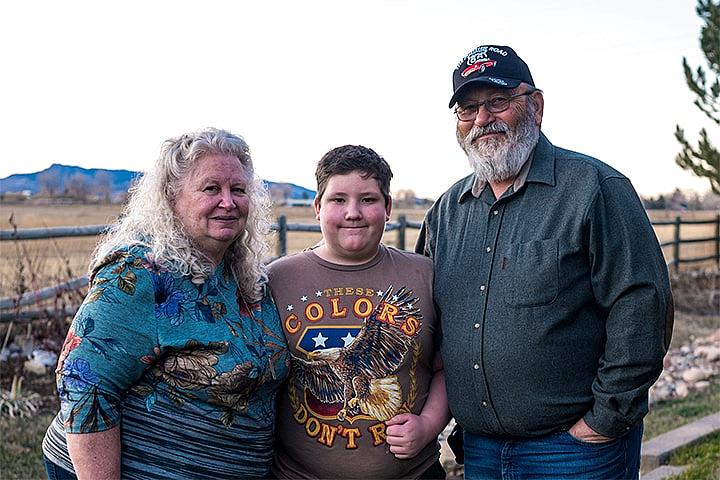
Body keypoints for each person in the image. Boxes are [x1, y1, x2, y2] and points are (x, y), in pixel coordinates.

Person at [416, 44, 674, 479]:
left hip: (576, 452)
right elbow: (423, 320)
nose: (482, 119)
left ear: (534, 105)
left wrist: (605, 420)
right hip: (480, 451)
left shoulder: (594, 187)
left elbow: (643, 304)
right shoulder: (446, 212)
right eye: (467, 108)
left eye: (498, 101)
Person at [42, 128, 289, 479]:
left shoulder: (243, 274)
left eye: (238, 189)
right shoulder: (143, 272)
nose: (228, 201)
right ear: (173, 197)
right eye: (211, 189)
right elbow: (83, 380)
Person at [267, 145, 450, 479]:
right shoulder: (277, 279)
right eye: (338, 200)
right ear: (317, 208)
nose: (353, 212)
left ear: (388, 207)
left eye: (368, 199)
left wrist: (427, 426)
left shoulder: (424, 275)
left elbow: (446, 368)